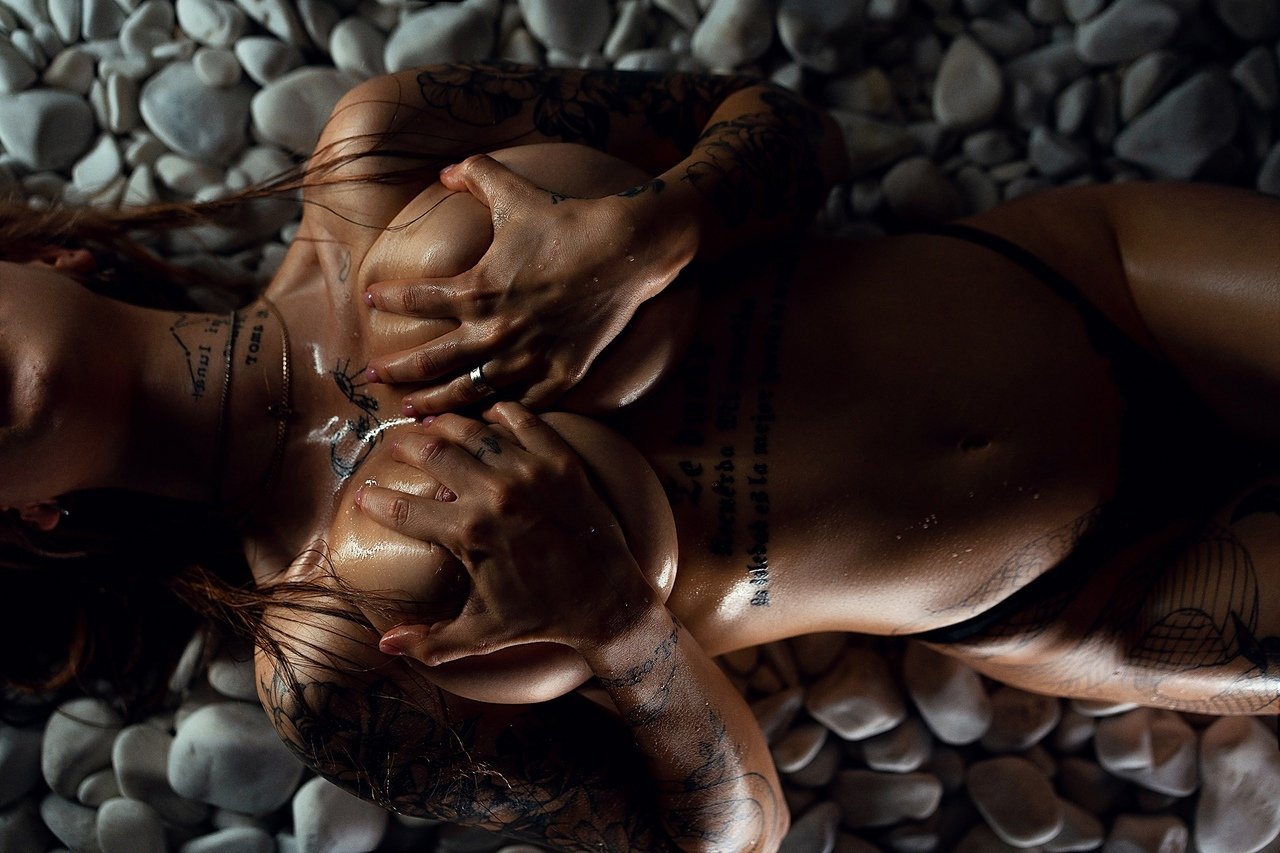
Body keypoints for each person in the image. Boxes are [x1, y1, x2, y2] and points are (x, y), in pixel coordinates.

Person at [1, 61, 1277, 851]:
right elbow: (728, 840)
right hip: (1087, 588)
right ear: (27, 519)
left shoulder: (381, 153)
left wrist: (651, 230)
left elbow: (793, 129)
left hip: (1103, 281)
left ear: (45, 255)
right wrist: (617, 627)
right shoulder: (333, 658)